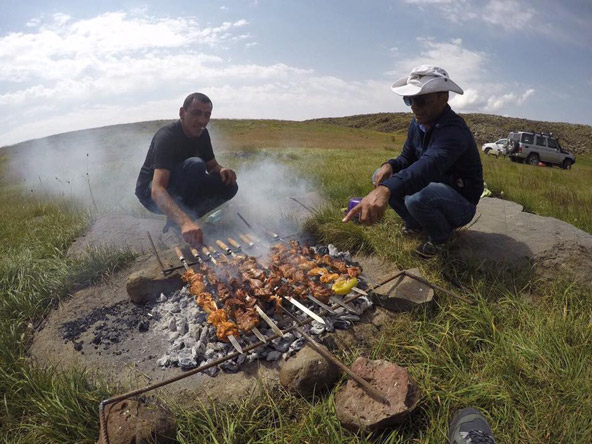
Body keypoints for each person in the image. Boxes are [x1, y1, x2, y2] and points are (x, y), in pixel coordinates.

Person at [342, 65, 483, 258]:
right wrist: (389, 165)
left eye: (421, 100)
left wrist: (385, 190)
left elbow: (428, 165)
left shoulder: (454, 131)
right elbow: (407, 158)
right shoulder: (417, 124)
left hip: (460, 201)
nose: (414, 107)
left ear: (443, 99)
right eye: (409, 100)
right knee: (381, 176)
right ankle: (416, 224)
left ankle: (441, 238)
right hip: (431, 186)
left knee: (417, 197)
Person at [135, 92, 238, 246]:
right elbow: (157, 189)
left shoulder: (203, 134)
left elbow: (212, 166)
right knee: (195, 164)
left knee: (229, 186)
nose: (202, 120)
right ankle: (180, 223)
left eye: (207, 115)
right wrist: (184, 222)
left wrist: (222, 170)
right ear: (182, 113)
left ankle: (189, 219)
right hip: (151, 194)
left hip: (185, 183)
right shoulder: (167, 136)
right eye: (196, 113)